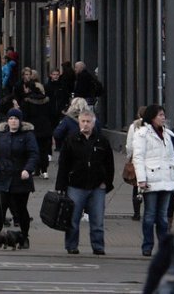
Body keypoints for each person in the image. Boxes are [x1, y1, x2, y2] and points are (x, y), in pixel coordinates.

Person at [55, 109, 114, 255]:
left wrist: (106, 183)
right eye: (83, 121)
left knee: (97, 220)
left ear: (93, 123)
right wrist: (61, 186)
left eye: (88, 122)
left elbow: (109, 164)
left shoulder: (102, 140)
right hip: (75, 185)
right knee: (73, 220)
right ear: (79, 122)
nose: (85, 124)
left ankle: (98, 247)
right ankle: (71, 246)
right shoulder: (71, 139)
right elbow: (63, 164)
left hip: (97, 186)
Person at [0, 108, 39, 250]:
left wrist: (28, 169)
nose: (13, 121)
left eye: (15, 118)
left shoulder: (28, 136)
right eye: (10, 118)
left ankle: (24, 237)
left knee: (20, 210)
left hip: (20, 179)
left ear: (20, 121)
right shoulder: (2, 135)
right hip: (3, 177)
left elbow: (34, 154)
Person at [133, 104, 174, 257]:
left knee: (162, 216)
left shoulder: (167, 134)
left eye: (163, 115)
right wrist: (141, 179)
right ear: (152, 117)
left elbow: (171, 158)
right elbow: (138, 158)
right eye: (160, 115)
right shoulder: (142, 134)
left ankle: (164, 248)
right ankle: (147, 246)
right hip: (151, 179)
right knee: (149, 215)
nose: (163, 118)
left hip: (166, 180)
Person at [21, 81, 54, 179]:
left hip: (32, 128)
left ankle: (35, 169)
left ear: (28, 89)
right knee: (44, 150)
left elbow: (25, 116)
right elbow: (52, 113)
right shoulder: (47, 99)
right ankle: (44, 171)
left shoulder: (26, 100)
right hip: (45, 127)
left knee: (33, 150)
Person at [126, 106, 147, 221]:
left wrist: (129, 157)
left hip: (137, 160)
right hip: (149, 161)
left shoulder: (133, 127)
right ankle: (149, 212)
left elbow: (129, 145)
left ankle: (137, 213)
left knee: (136, 186)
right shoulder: (152, 127)